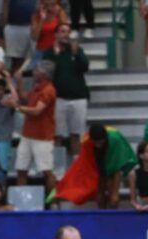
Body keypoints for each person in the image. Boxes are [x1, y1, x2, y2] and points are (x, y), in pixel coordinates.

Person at [42, 22, 88, 159]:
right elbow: (46, 73)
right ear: (56, 34)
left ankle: (76, 165)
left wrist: (76, 53)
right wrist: (56, 55)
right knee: (58, 134)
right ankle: (58, 166)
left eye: (67, 32)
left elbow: (85, 67)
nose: (65, 35)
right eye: (62, 31)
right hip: (58, 99)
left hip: (78, 97)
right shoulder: (49, 52)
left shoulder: (76, 50)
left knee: (76, 134)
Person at [15, 60, 58, 199]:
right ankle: (22, 200)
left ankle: (52, 199)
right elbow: (24, 98)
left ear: (44, 74)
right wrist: (19, 81)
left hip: (42, 136)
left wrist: (17, 107)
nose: (34, 72)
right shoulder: (36, 87)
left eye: (37, 70)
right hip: (27, 134)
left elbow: (37, 111)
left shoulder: (48, 90)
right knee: (21, 169)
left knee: (46, 171)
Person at [2, 0, 37, 71]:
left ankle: (20, 76)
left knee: (26, 58)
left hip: (29, 26)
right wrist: (5, 25)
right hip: (12, 25)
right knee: (12, 59)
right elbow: (5, 7)